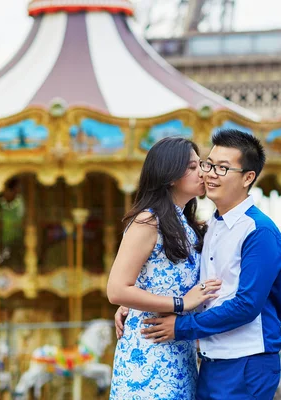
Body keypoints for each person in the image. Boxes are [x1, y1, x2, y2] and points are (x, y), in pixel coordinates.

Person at [117, 129, 281, 399]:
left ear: (248, 177)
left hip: (243, 358)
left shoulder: (259, 231)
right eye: (206, 165)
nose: (208, 173)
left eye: (221, 168)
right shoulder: (207, 228)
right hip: (203, 358)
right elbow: (159, 276)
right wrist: (132, 300)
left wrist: (181, 325)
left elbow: (246, 304)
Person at [106, 137, 222, 400]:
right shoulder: (148, 221)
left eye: (200, 165)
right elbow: (116, 289)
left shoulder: (187, 225)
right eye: (192, 167)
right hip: (148, 352)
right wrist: (180, 303)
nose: (202, 172)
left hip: (179, 351)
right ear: (170, 175)